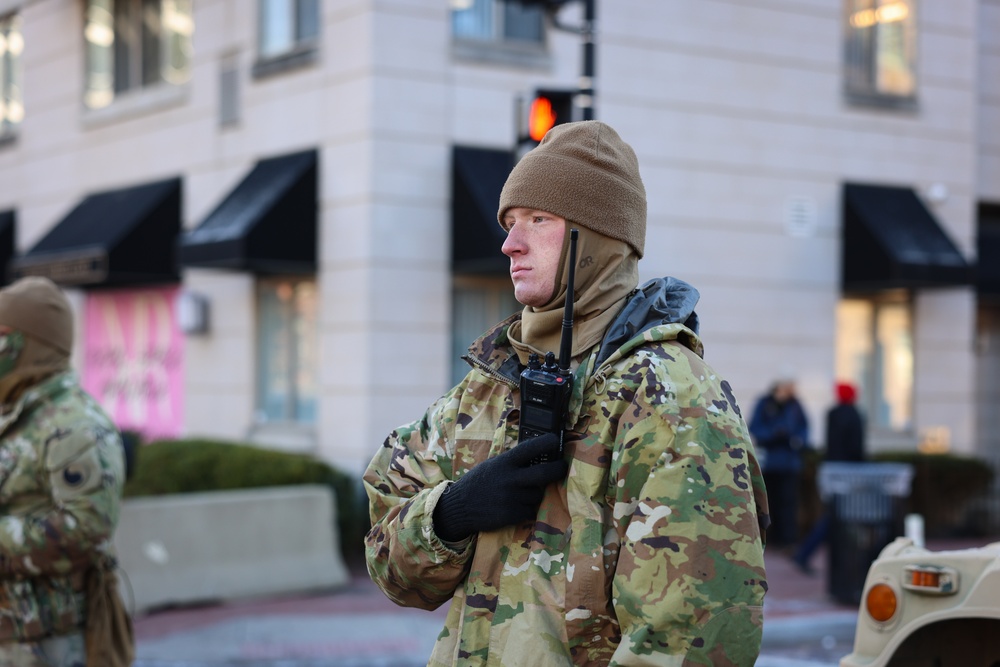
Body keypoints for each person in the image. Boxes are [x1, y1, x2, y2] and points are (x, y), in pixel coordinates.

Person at [364, 120, 769, 666]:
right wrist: (450, 514)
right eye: (509, 221)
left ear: (597, 237)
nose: (510, 243)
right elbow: (390, 564)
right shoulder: (490, 384)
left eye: (538, 219)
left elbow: (693, 643)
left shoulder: (671, 398)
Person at [0, 277, 133, 666]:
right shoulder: (16, 415)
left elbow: (87, 529)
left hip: (44, 645)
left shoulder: (75, 426)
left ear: (25, 345)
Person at [792, 381, 865, 575]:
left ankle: (811, 555)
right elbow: (856, 449)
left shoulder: (832, 413)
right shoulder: (855, 415)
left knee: (835, 515)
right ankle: (808, 554)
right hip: (848, 473)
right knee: (837, 517)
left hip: (830, 470)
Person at [748, 376, 810, 549]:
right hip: (769, 464)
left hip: (790, 464)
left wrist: (796, 441)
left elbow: (804, 429)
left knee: (788, 503)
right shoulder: (764, 403)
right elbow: (755, 428)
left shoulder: (795, 405)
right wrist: (774, 433)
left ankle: (788, 540)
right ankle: (770, 539)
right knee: (769, 503)